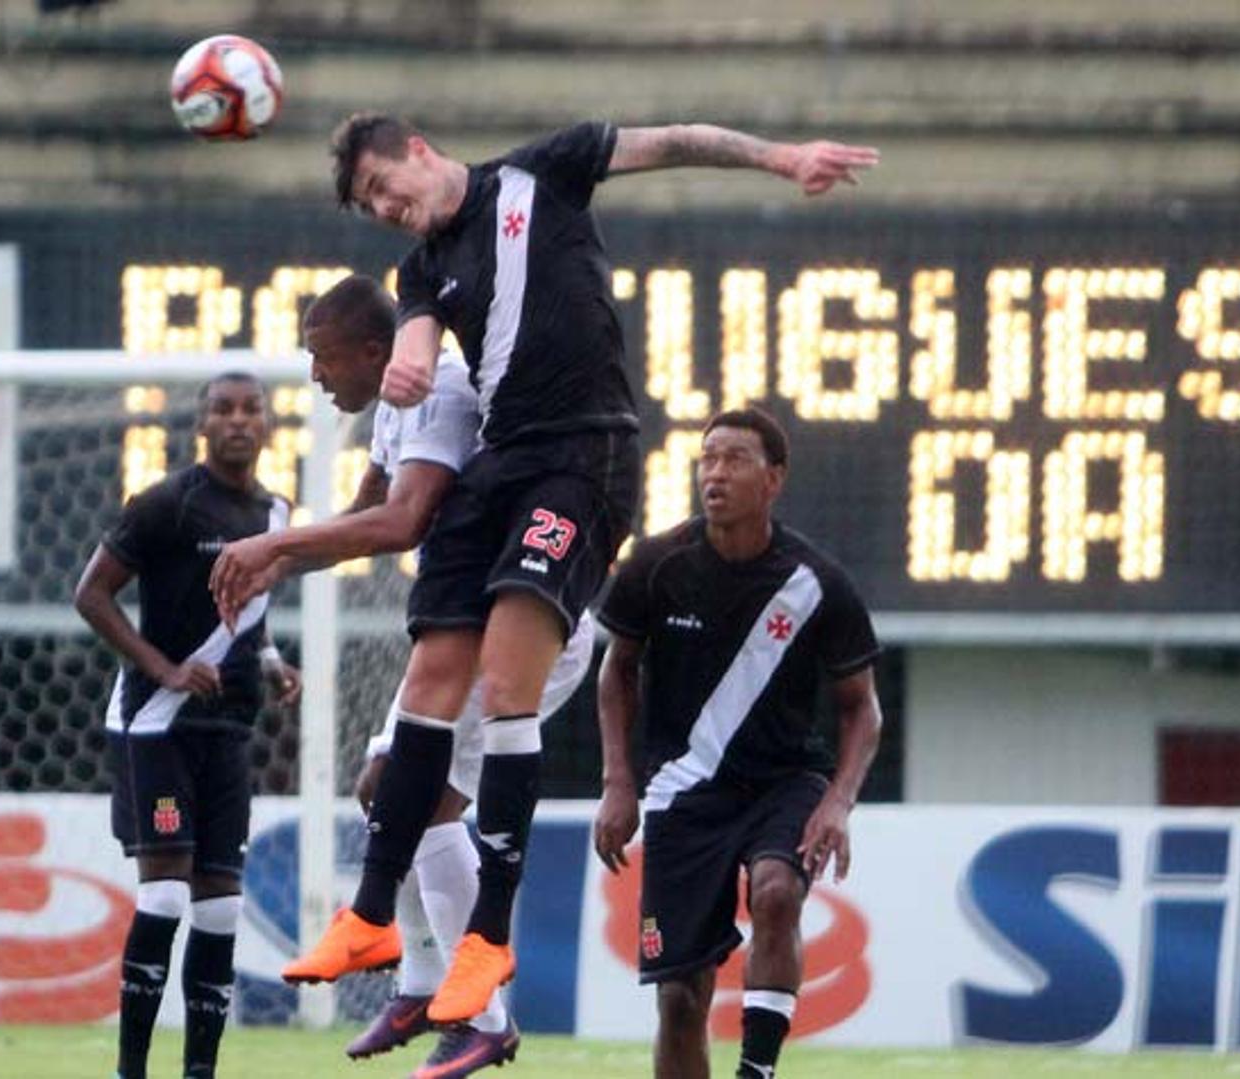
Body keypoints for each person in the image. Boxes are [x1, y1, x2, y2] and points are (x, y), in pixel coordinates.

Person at [282, 112, 881, 1025]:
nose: (385, 210)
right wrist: (409, 354)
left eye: (380, 189)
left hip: (581, 454)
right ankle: (369, 914)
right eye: (369, 207)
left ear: (415, 151)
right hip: (502, 463)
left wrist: (781, 156)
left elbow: (673, 140)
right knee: (429, 682)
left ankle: (484, 941)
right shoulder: (420, 269)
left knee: (504, 679)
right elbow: (415, 334)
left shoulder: (538, 174)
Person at [210, 275, 595, 1077]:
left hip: (529, 615)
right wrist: (277, 563)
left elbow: (402, 519)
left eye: (323, 356)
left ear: (378, 351)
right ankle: (424, 980)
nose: (315, 375)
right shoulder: (392, 407)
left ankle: (483, 1016)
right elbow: (365, 511)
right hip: (476, 618)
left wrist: (274, 549)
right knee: (386, 786)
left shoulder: (439, 391)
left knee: (417, 793)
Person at [591, 407, 884, 1079]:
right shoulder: (657, 566)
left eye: (734, 460)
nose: (714, 473)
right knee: (680, 1000)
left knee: (778, 893)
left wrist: (837, 802)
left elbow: (861, 709)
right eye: (708, 459)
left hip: (786, 782)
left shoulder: (817, 583)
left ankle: (757, 1071)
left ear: (774, 478)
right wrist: (617, 779)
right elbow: (616, 670)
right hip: (683, 791)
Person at [73, 373, 302, 1079]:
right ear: (201, 425)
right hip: (156, 724)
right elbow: (92, 594)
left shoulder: (276, 513)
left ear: (267, 424)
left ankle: (199, 1070)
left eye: (251, 409)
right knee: (166, 892)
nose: (238, 420)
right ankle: (131, 1068)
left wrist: (269, 660)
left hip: (227, 729)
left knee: (223, 908)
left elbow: (243, 617)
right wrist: (164, 668)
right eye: (223, 409)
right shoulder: (166, 504)